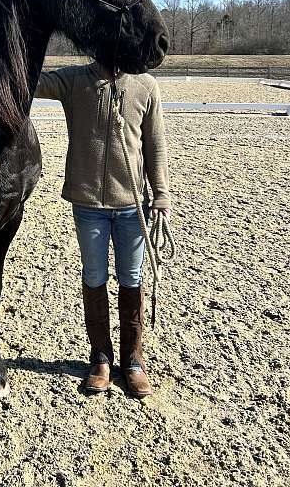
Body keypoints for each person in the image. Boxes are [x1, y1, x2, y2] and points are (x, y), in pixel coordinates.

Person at [34, 60, 171, 397]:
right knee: (94, 276)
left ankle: (133, 360)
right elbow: (30, 81)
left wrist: (162, 193)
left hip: (132, 205)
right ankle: (100, 358)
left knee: (132, 277)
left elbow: (155, 144)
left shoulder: (146, 85)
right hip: (89, 204)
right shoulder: (73, 80)